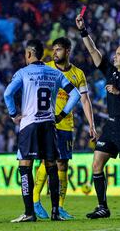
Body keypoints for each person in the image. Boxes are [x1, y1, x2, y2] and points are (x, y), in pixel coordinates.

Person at [75, 14, 120, 219]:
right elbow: (92, 50)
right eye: (115, 53)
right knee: (96, 164)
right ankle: (102, 207)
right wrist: (83, 31)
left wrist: (119, 93)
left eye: (119, 54)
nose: (114, 56)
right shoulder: (110, 72)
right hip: (111, 126)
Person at [4, 39, 81, 222]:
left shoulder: (23, 73)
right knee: (51, 167)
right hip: (49, 125)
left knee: (25, 167)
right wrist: (61, 115)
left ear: (29, 54)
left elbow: (7, 93)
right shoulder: (54, 73)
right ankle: (55, 212)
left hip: (29, 125)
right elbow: (76, 94)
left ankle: (29, 213)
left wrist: (14, 114)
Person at [33, 37, 97, 219]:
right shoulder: (46, 68)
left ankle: (60, 207)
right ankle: (35, 200)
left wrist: (91, 125)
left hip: (66, 125)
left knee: (63, 164)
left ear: (68, 51)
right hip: (46, 123)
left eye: (59, 49)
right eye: (53, 49)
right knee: (47, 161)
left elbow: (84, 99)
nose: (55, 53)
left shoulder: (78, 74)